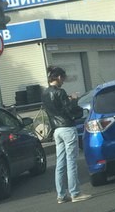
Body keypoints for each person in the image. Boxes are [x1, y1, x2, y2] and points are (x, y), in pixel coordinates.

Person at [42, 66, 91, 204]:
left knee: (60, 163)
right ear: (58, 77)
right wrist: (74, 100)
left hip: (56, 130)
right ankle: (75, 193)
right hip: (67, 128)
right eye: (63, 78)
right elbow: (69, 110)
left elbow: (56, 108)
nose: (63, 81)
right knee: (71, 162)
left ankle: (61, 195)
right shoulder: (60, 92)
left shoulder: (45, 93)